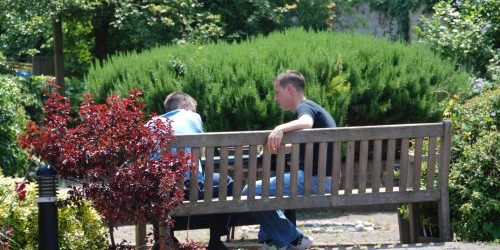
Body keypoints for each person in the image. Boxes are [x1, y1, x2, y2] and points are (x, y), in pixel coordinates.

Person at [243, 70, 337, 249]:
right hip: (324, 180)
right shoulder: (315, 108)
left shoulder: (305, 107)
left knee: (250, 191)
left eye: (277, 92)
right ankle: (271, 238)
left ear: (290, 89)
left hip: (315, 180)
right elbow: (306, 144)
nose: (275, 98)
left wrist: (279, 128)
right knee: (272, 189)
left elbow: (306, 123)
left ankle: (293, 239)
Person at [148, 91, 233, 249]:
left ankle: (164, 239)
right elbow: (198, 152)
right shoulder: (192, 117)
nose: (195, 113)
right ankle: (216, 240)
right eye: (194, 109)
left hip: (159, 194)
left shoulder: (151, 124)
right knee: (226, 181)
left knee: (156, 189)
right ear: (183, 105)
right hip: (189, 189)